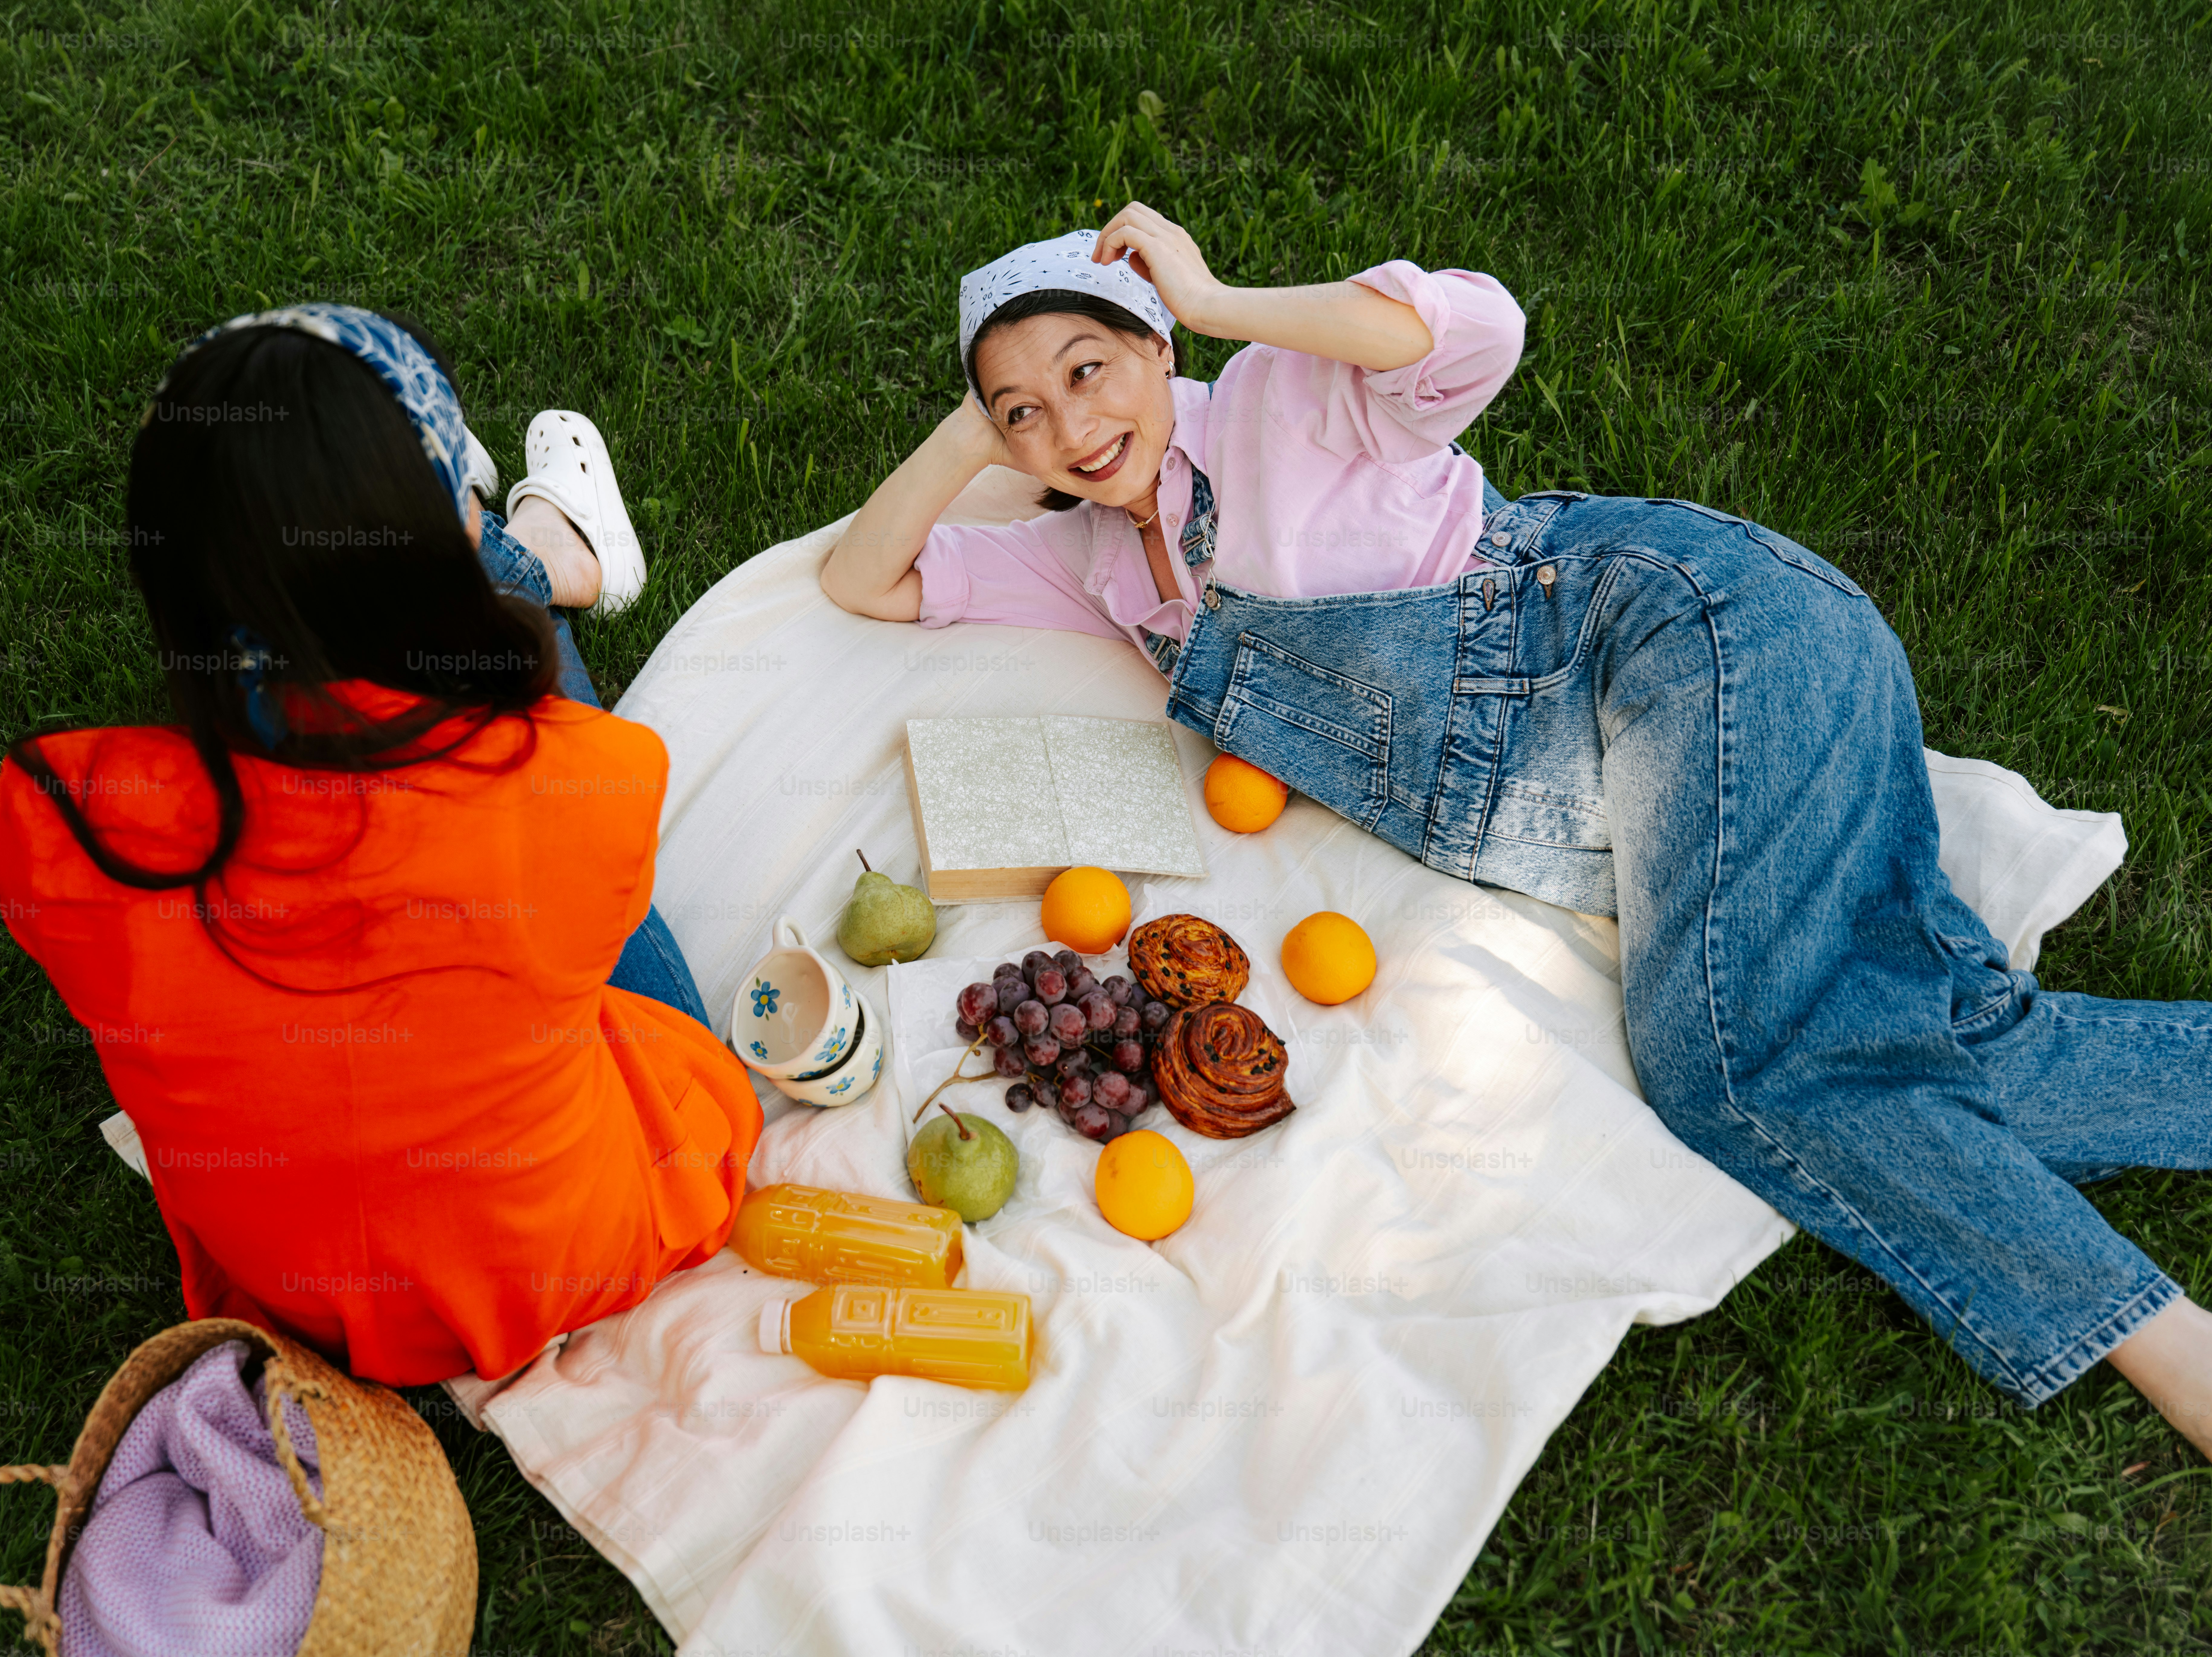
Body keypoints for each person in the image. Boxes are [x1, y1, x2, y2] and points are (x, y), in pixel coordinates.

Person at [819, 207, 2212, 1456]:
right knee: (1955, 1043)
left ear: (1154, 339)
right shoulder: (1100, 564)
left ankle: (2158, 1340)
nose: (1068, 427)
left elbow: (1474, 329)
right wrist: (966, 427)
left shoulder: (1275, 402)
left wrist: (1227, 300)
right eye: (1023, 417)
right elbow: (864, 577)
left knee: (1733, 1066)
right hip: (1638, 786)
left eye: (1089, 369)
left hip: (1687, 637)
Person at [0, 303, 760, 1388]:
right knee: (519, 649)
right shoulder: (585, 777)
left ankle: (511, 553)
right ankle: (528, 564)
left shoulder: (53, 813)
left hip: (295, 1289)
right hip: (561, 1251)